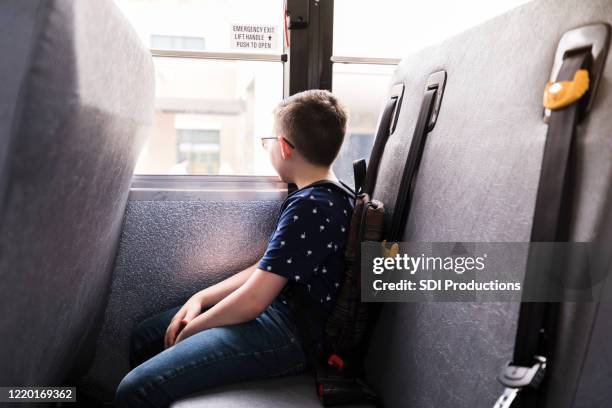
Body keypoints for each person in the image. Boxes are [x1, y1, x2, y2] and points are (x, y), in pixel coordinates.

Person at [115, 89, 354, 407]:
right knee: (147, 335)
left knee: (134, 390)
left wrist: (194, 330)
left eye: (269, 140)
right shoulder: (326, 197)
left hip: (292, 337)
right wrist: (200, 298)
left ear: (283, 147)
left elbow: (255, 300)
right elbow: (265, 269)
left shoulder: (312, 205)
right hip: (277, 315)